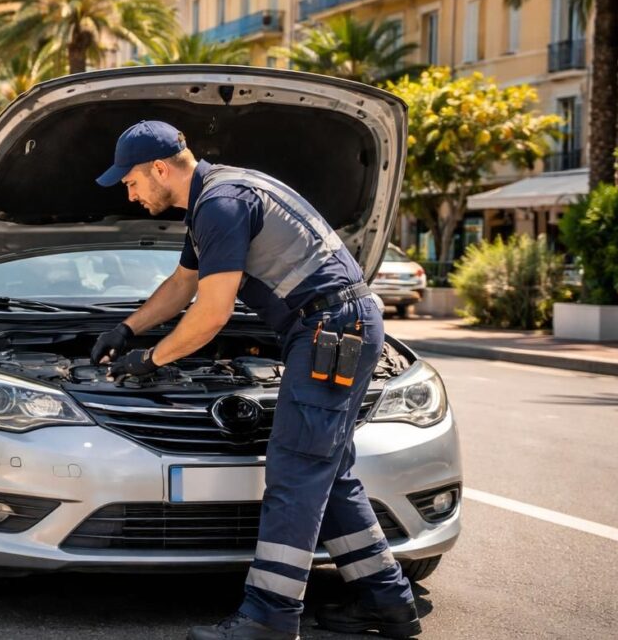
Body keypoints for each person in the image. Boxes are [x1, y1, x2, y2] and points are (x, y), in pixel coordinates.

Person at [91, 121, 420, 640]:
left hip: (330, 330)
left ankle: (269, 616)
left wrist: (151, 359)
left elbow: (212, 314)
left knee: (294, 472)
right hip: (337, 324)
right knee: (328, 473)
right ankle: (388, 603)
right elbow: (183, 284)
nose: (129, 195)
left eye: (130, 182)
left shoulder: (221, 204)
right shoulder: (215, 198)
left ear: (159, 169)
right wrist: (127, 328)